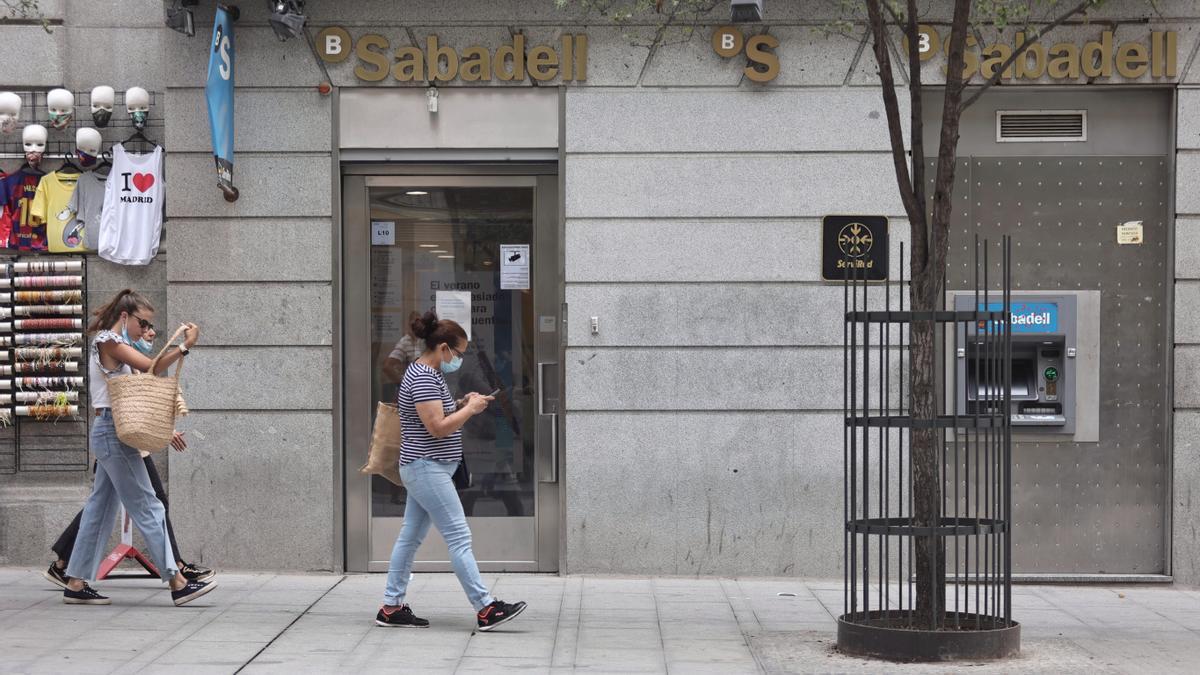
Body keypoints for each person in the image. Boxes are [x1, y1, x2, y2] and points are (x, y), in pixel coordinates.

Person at [60, 289, 215, 606]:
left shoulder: (115, 344)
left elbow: (146, 371)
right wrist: (184, 346)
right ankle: (177, 581)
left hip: (111, 431)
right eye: (142, 322)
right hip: (112, 433)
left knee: (100, 508)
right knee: (149, 504)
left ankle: (75, 582)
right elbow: (151, 367)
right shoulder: (109, 342)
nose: (146, 329)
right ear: (124, 316)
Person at [376, 312, 526, 631]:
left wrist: (462, 403)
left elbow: (436, 415)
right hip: (427, 468)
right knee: (459, 536)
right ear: (443, 348)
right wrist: (470, 411)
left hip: (426, 468)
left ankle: (391, 607)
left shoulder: (425, 374)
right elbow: (436, 428)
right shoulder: (423, 377)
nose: (458, 360)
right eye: (457, 354)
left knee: (410, 537)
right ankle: (486, 608)